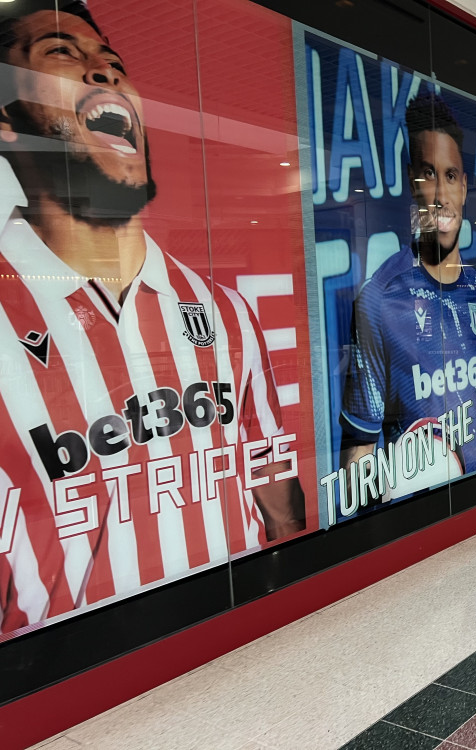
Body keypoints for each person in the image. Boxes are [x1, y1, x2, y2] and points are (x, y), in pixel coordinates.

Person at [0, 1, 305, 635]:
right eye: (62, 53)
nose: (103, 72)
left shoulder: (225, 312)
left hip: (249, 643)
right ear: (5, 118)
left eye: (112, 62)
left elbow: (274, 485)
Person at [340, 93, 476, 496]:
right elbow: (360, 451)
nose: (440, 194)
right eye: (428, 174)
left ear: (465, 187)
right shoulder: (378, 302)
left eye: (450, 176)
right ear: (410, 181)